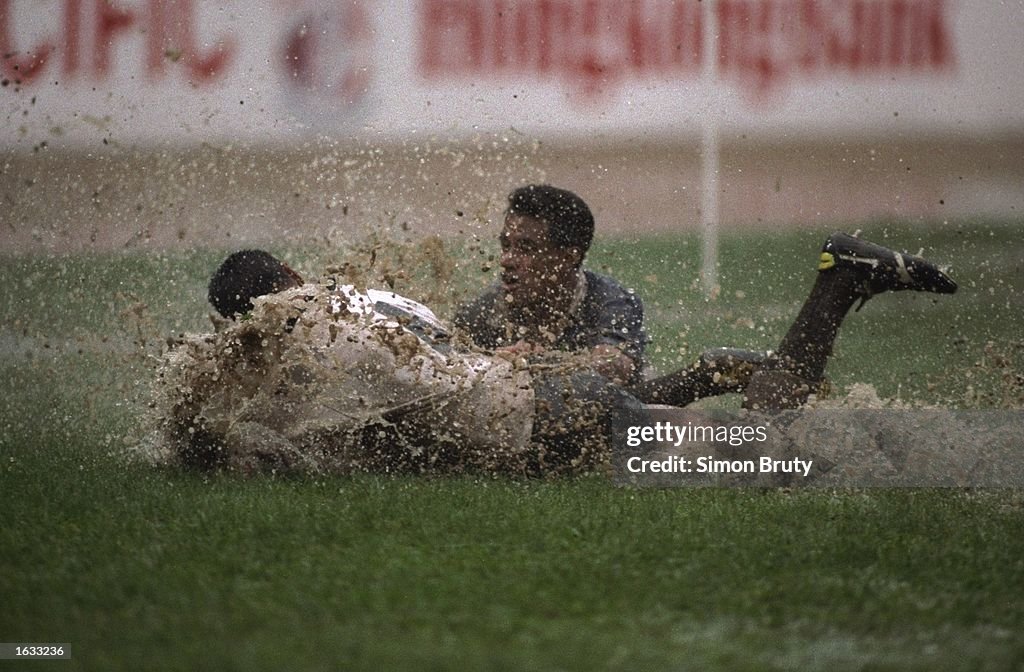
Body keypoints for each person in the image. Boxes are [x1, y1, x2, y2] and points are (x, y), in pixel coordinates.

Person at [454, 184, 957, 411]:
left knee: (734, 449)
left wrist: (533, 362)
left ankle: (837, 285)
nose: (507, 261)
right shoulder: (481, 311)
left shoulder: (610, 299)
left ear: (569, 256)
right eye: (504, 246)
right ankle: (719, 369)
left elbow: (615, 370)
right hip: (584, 419)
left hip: (623, 420)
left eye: (525, 248)